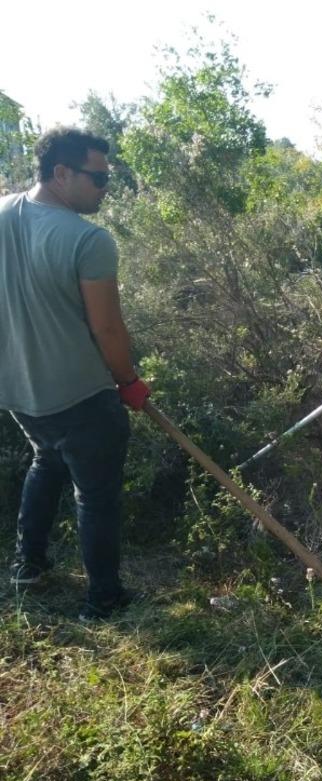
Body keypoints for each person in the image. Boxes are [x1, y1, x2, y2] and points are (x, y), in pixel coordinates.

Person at [1, 127, 150, 620]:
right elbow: (107, 328)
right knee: (97, 494)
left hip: (18, 391)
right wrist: (128, 382)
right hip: (82, 393)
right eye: (98, 178)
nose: (105, 188)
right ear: (61, 173)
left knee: (46, 459)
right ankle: (102, 599)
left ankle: (29, 565)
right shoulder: (89, 239)